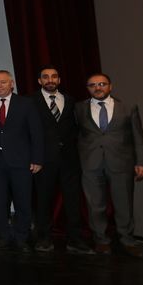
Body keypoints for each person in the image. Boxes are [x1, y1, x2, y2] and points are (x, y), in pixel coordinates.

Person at [75, 73, 143, 258]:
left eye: (102, 84)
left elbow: (138, 137)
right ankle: (101, 240)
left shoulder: (128, 107)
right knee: (95, 205)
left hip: (121, 163)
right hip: (91, 164)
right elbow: (75, 136)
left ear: (110, 86)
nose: (97, 88)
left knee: (124, 205)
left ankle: (127, 240)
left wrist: (142, 162)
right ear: (88, 88)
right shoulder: (78, 108)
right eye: (92, 85)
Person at [29, 66, 91, 253]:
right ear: (39, 81)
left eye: (54, 76)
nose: (50, 80)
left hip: (70, 160)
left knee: (73, 200)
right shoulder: (29, 101)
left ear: (59, 80)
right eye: (45, 77)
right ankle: (44, 238)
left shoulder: (71, 101)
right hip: (43, 160)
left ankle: (75, 239)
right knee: (43, 200)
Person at [0, 70, 44, 251]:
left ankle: (22, 237)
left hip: (22, 162)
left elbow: (36, 132)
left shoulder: (26, 103)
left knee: (23, 202)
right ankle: (4, 236)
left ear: (12, 84)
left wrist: (37, 159)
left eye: (3, 82)